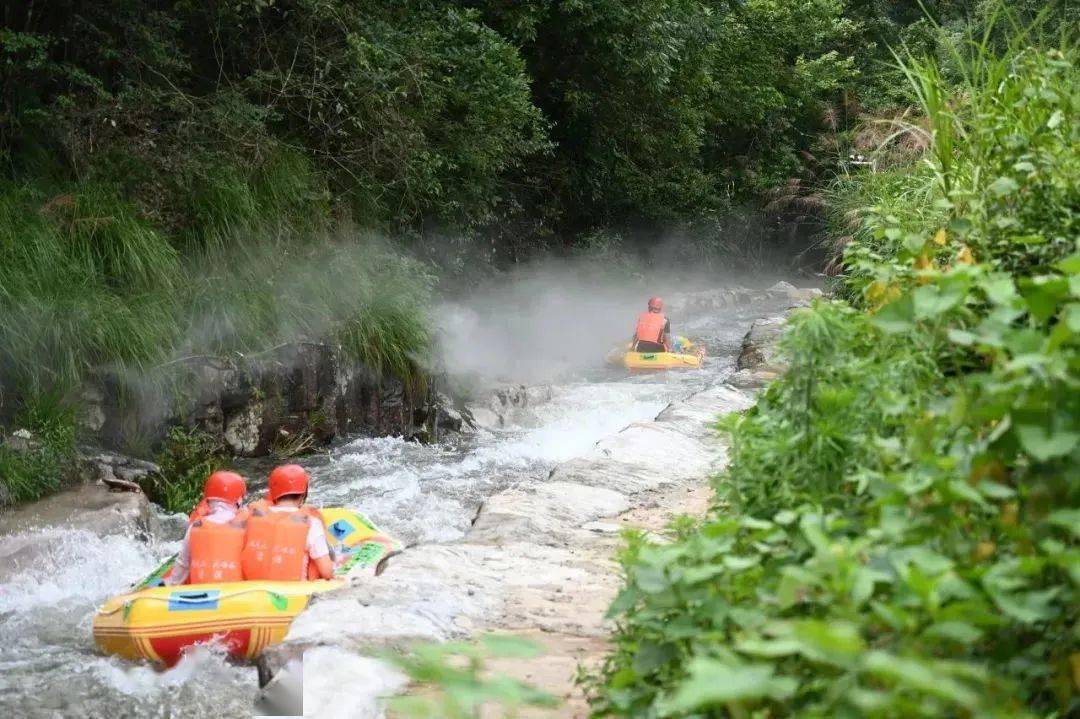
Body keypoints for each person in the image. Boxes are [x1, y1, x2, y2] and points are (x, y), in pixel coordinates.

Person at [241, 464, 335, 581]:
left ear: (273, 491)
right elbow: (327, 572)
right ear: (303, 493)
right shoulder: (311, 523)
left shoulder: (251, 518)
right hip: (293, 594)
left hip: (251, 591)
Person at [166, 471, 248, 585]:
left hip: (200, 596)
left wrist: (167, 586)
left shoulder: (196, 526)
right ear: (239, 500)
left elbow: (183, 564)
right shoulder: (246, 524)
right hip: (235, 597)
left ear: (208, 499)